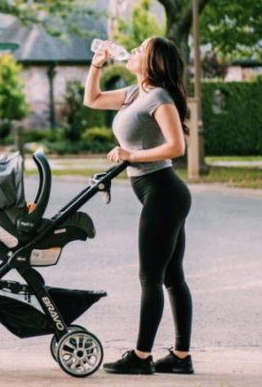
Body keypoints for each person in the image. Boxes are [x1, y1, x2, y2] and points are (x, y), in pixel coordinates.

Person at [83, 36, 194, 375]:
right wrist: (97, 63)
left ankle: (141, 356)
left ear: (152, 62)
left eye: (139, 49)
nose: (131, 51)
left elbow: (177, 147)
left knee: (152, 277)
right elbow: (93, 99)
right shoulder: (135, 94)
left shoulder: (159, 97)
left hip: (164, 192)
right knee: (172, 276)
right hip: (157, 193)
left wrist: (132, 155)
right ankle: (180, 357)